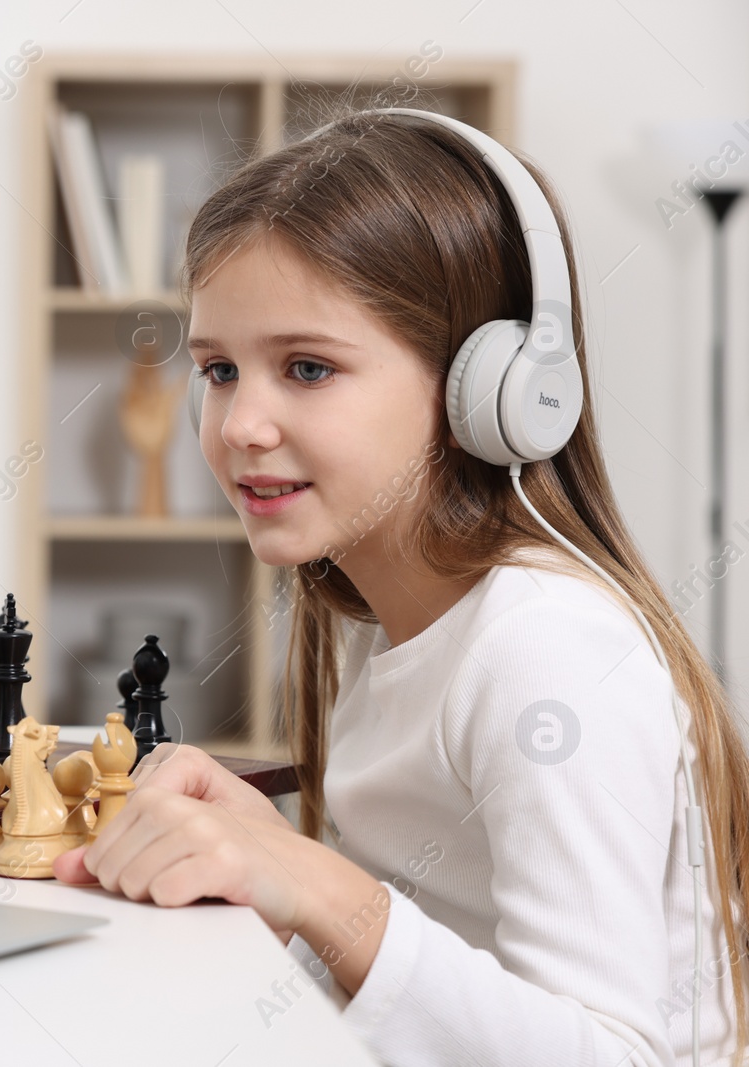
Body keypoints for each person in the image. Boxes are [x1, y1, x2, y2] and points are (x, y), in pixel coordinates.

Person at [52, 106, 748, 1066]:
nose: (240, 423)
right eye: (217, 369)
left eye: (307, 367)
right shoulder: (384, 623)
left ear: (489, 388)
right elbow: (427, 988)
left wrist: (317, 883)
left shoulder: (546, 650)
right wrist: (271, 864)